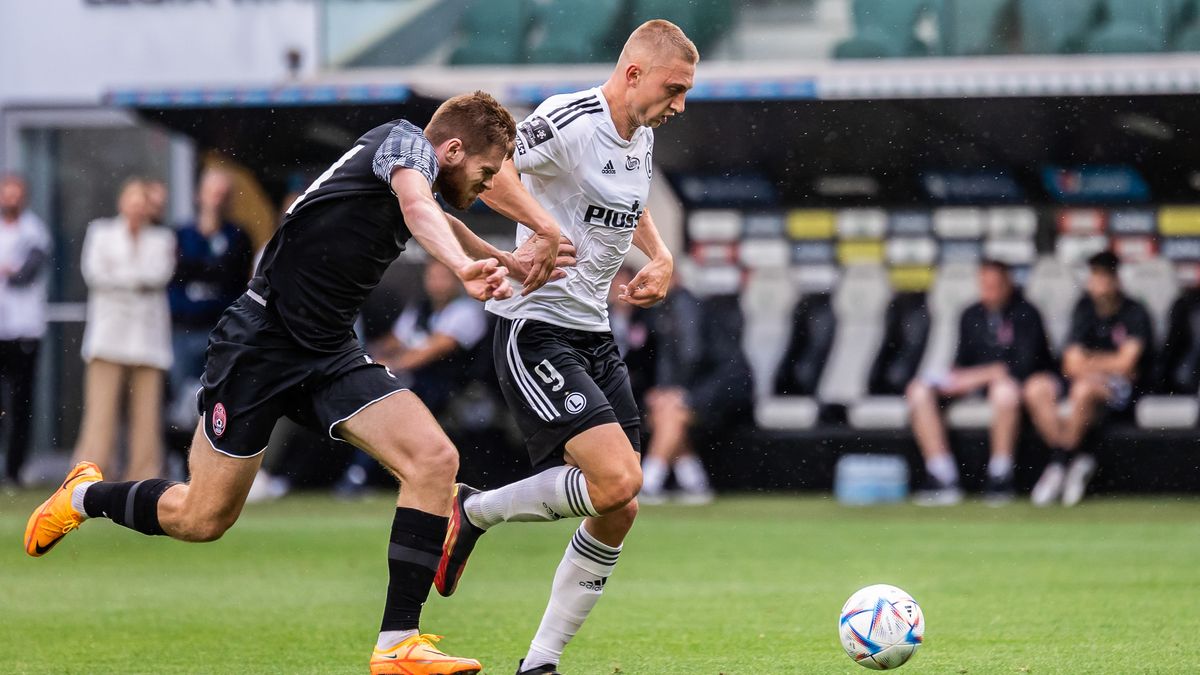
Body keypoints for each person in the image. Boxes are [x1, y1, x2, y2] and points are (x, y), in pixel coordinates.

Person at [26, 91, 567, 675]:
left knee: (435, 459)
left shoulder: (424, 174)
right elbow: (419, 208)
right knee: (202, 518)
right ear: (453, 148)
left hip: (328, 351)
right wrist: (464, 270)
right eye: (485, 173)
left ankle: (398, 644)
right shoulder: (405, 142)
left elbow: (439, 216)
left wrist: (502, 260)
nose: (487, 184)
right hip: (259, 344)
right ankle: (83, 495)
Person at [435, 20, 696, 675]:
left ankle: (539, 662)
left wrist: (660, 255)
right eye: (675, 88)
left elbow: (625, 202)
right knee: (618, 480)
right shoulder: (570, 118)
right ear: (633, 73)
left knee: (621, 504)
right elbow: (489, 173)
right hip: (535, 325)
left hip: (592, 333)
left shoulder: (642, 134)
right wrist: (542, 227)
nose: (681, 104)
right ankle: (473, 509)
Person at [335, 258, 490, 497]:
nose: (437, 284)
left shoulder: (466, 311)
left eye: (444, 278)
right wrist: (362, 356)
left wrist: (387, 365)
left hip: (453, 390)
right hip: (412, 383)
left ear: (457, 280)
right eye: (433, 277)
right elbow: (397, 340)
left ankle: (361, 474)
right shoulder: (420, 308)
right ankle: (361, 473)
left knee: (388, 409)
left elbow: (431, 351)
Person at [906, 259, 1054, 506]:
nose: (989, 291)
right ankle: (942, 475)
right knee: (919, 391)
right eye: (984, 285)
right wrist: (957, 378)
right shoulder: (970, 313)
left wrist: (988, 374)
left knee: (1004, 391)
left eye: (995, 285)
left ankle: (1000, 475)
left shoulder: (1027, 313)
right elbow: (963, 362)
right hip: (976, 386)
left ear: (1008, 284)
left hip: (1020, 388)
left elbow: (1022, 368)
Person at [1023, 251, 1153, 507]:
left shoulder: (1134, 311)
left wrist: (1090, 361)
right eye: (1095, 276)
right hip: (1083, 381)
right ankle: (1075, 458)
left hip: (1122, 389)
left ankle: (1059, 462)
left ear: (1116, 279)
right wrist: (1105, 362)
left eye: (1105, 276)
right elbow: (1070, 364)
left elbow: (1127, 364)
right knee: (1035, 388)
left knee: (1083, 390)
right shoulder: (1083, 308)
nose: (1099, 282)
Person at [71, 178, 177, 481]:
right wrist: (136, 282)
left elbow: (159, 274)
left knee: (146, 417)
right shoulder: (101, 232)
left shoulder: (161, 238)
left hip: (148, 340)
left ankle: (143, 477)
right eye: (131, 199)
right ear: (121, 202)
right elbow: (95, 274)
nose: (136, 206)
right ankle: (88, 477)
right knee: (100, 415)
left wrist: (119, 278)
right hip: (108, 337)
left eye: (141, 200)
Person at [637, 279, 754, 505]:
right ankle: (695, 484)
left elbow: (711, 365)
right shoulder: (665, 309)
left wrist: (685, 397)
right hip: (701, 393)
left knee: (671, 414)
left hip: (727, 397)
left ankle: (647, 484)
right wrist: (665, 393)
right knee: (667, 413)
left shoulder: (691, 309)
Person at [167, 168, 253, 432]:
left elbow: (233, 281)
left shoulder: (238, 237)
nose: (216, 199)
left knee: (218, 404)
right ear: (198, 195)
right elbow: (175, 280)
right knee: (182, 404)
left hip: (220, 332)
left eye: (222, 194)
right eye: (211, 192)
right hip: (183, 330)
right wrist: (209, 268)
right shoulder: (181, 235)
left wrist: (199, 268)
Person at [0, 175, 52, 486]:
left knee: (20, 403)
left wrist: (11, 270)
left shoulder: (35, 231)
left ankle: (15, 469)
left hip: (24, 329)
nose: (11, 199)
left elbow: (25, 275)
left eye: (16, 193)